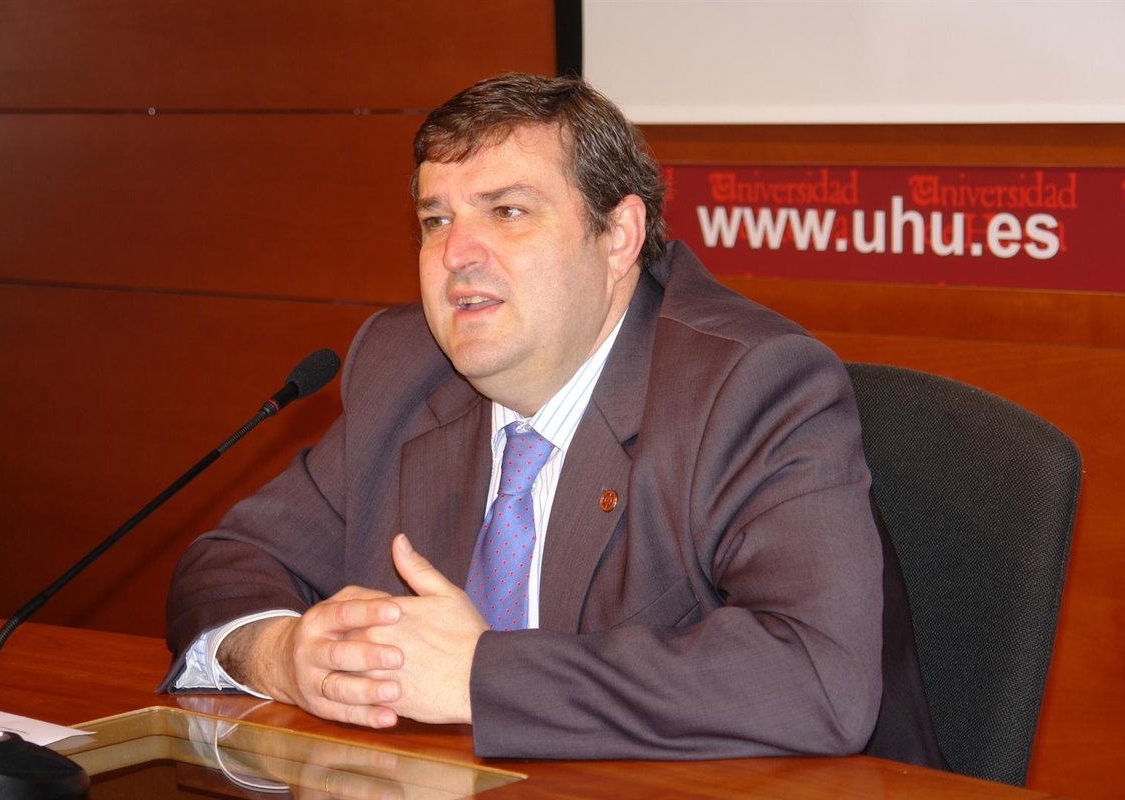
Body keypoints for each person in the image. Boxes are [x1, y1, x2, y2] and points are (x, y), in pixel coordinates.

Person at [163, 72, 944, 767]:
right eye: (435, 219)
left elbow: (816, 675)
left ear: (618, 237)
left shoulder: (747, 386)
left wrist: (480, 678)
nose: (457, 254)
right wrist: (282, 653)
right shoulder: (404, 367)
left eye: (507, 211)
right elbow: (228, 561)